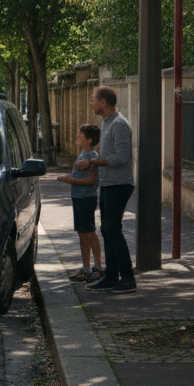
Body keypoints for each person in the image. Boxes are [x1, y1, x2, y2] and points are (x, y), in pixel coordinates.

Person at [76, 86, 136, 293]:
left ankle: (128, 278)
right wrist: (94, 164)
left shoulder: (119, 124)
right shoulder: (107, 122)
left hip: (119, 185)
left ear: (103, 102)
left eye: (93, 100)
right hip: (108, 184)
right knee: (107, 230)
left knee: (112, 230)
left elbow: (122, 157)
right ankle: (111, 276)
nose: (91, 103)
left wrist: (95, 161)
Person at [57, 123, 103, 283]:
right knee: (82, 233)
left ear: (89, 140)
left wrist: (71, 180)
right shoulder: (83, 154)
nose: (77, 137)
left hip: (86, 198)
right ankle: (86, 268)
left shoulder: (92, 158)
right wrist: (69, 179)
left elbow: (91, 180)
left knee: (89, 231)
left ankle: (98, 266)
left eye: (80, 135)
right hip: (78, 197)